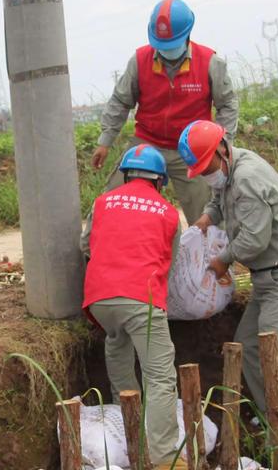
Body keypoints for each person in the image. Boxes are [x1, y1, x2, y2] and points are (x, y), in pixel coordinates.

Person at [177, 119, 278, 466]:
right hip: (267, 280)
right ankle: (277, 417)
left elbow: (254, 240)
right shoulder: (229, 173)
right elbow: (217, 202)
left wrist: (221, 261)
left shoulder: (248, 178)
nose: (207, 175)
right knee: (248, 346)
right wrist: (202, 223)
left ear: (222, 150)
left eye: (207, 167)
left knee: (275, 360)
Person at [80, 144, 185, 470]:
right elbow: (172, 262)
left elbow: (85, 245)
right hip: (141, 299)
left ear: (125, 174)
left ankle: (131, 441)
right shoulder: (167, 213)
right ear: (160, 181)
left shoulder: (102, 203)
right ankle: (165, 458)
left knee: (119, 348)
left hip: (99, 299)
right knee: (159, 376)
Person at [91, 0, 238, 225]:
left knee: (207, 216)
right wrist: (105, 141)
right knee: (114, 203)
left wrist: (222, 144)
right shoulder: (140, 61)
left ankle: (211, 259)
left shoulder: (209, 62)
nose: (166, 50)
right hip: (147, 143)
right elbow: (120, 101)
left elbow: (227, 104)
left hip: (192, 149)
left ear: (187, 34)